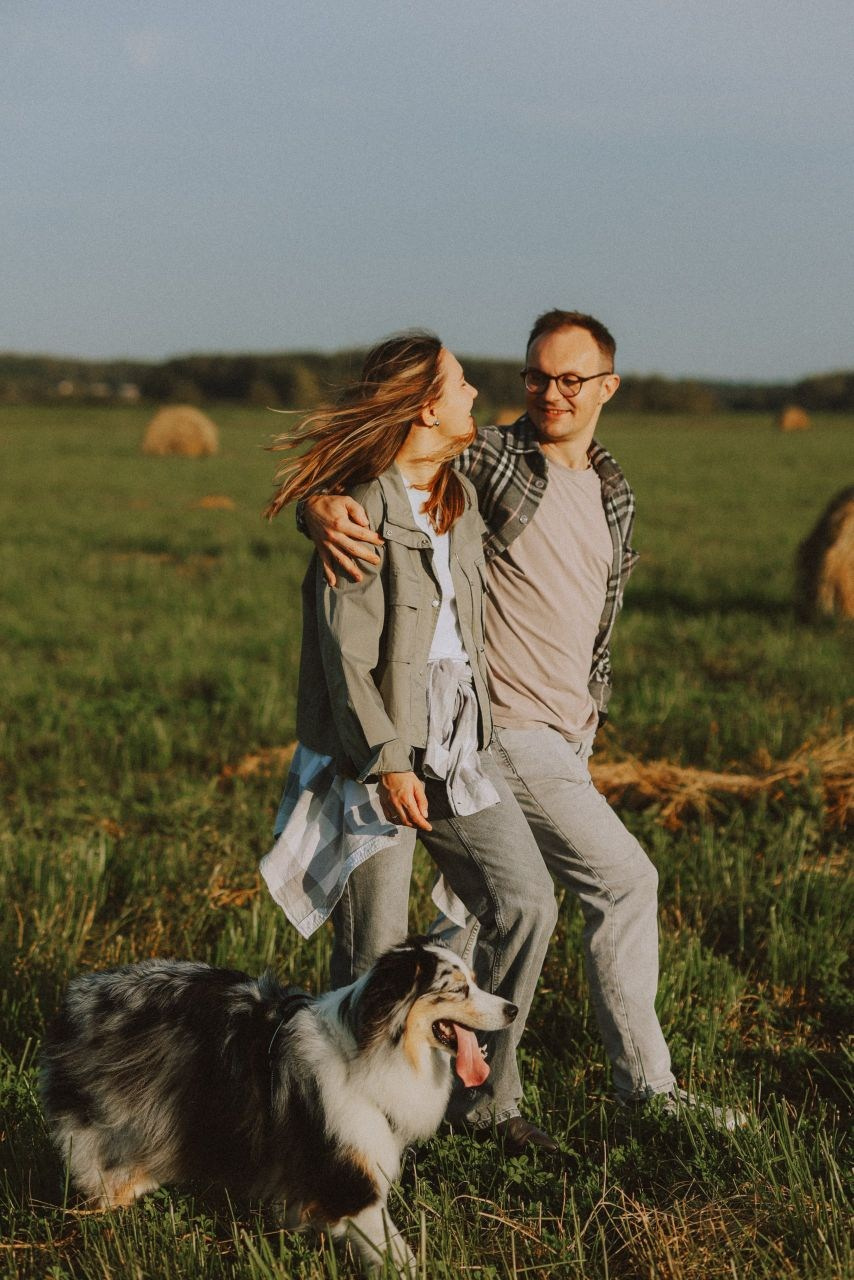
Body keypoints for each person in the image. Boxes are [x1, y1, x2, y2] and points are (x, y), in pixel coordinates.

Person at [303, 310, 744, 1128]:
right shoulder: (500, 462)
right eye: (535, 376)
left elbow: (597, 621)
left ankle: (444, 1093)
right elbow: (391, 461)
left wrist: (592, 721)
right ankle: (643, 1094)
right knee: (621, 881)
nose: (549, 393)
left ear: (608, 386)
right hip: (496, 729)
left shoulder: (614, 490)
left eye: (571, 379)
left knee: (475, 916)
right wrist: (322, 507)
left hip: (555, 732)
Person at [261, 332, 560, 1154]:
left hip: (463, 743)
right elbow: (347, 658)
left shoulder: (459, 491)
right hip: (380, 749)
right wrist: (387, 763)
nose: (476, 394)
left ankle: (485, 1099)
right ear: (428, 405)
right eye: (461, 383)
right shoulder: (360, 511)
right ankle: (341, 1130)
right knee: (377, 958)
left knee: (526, 902)